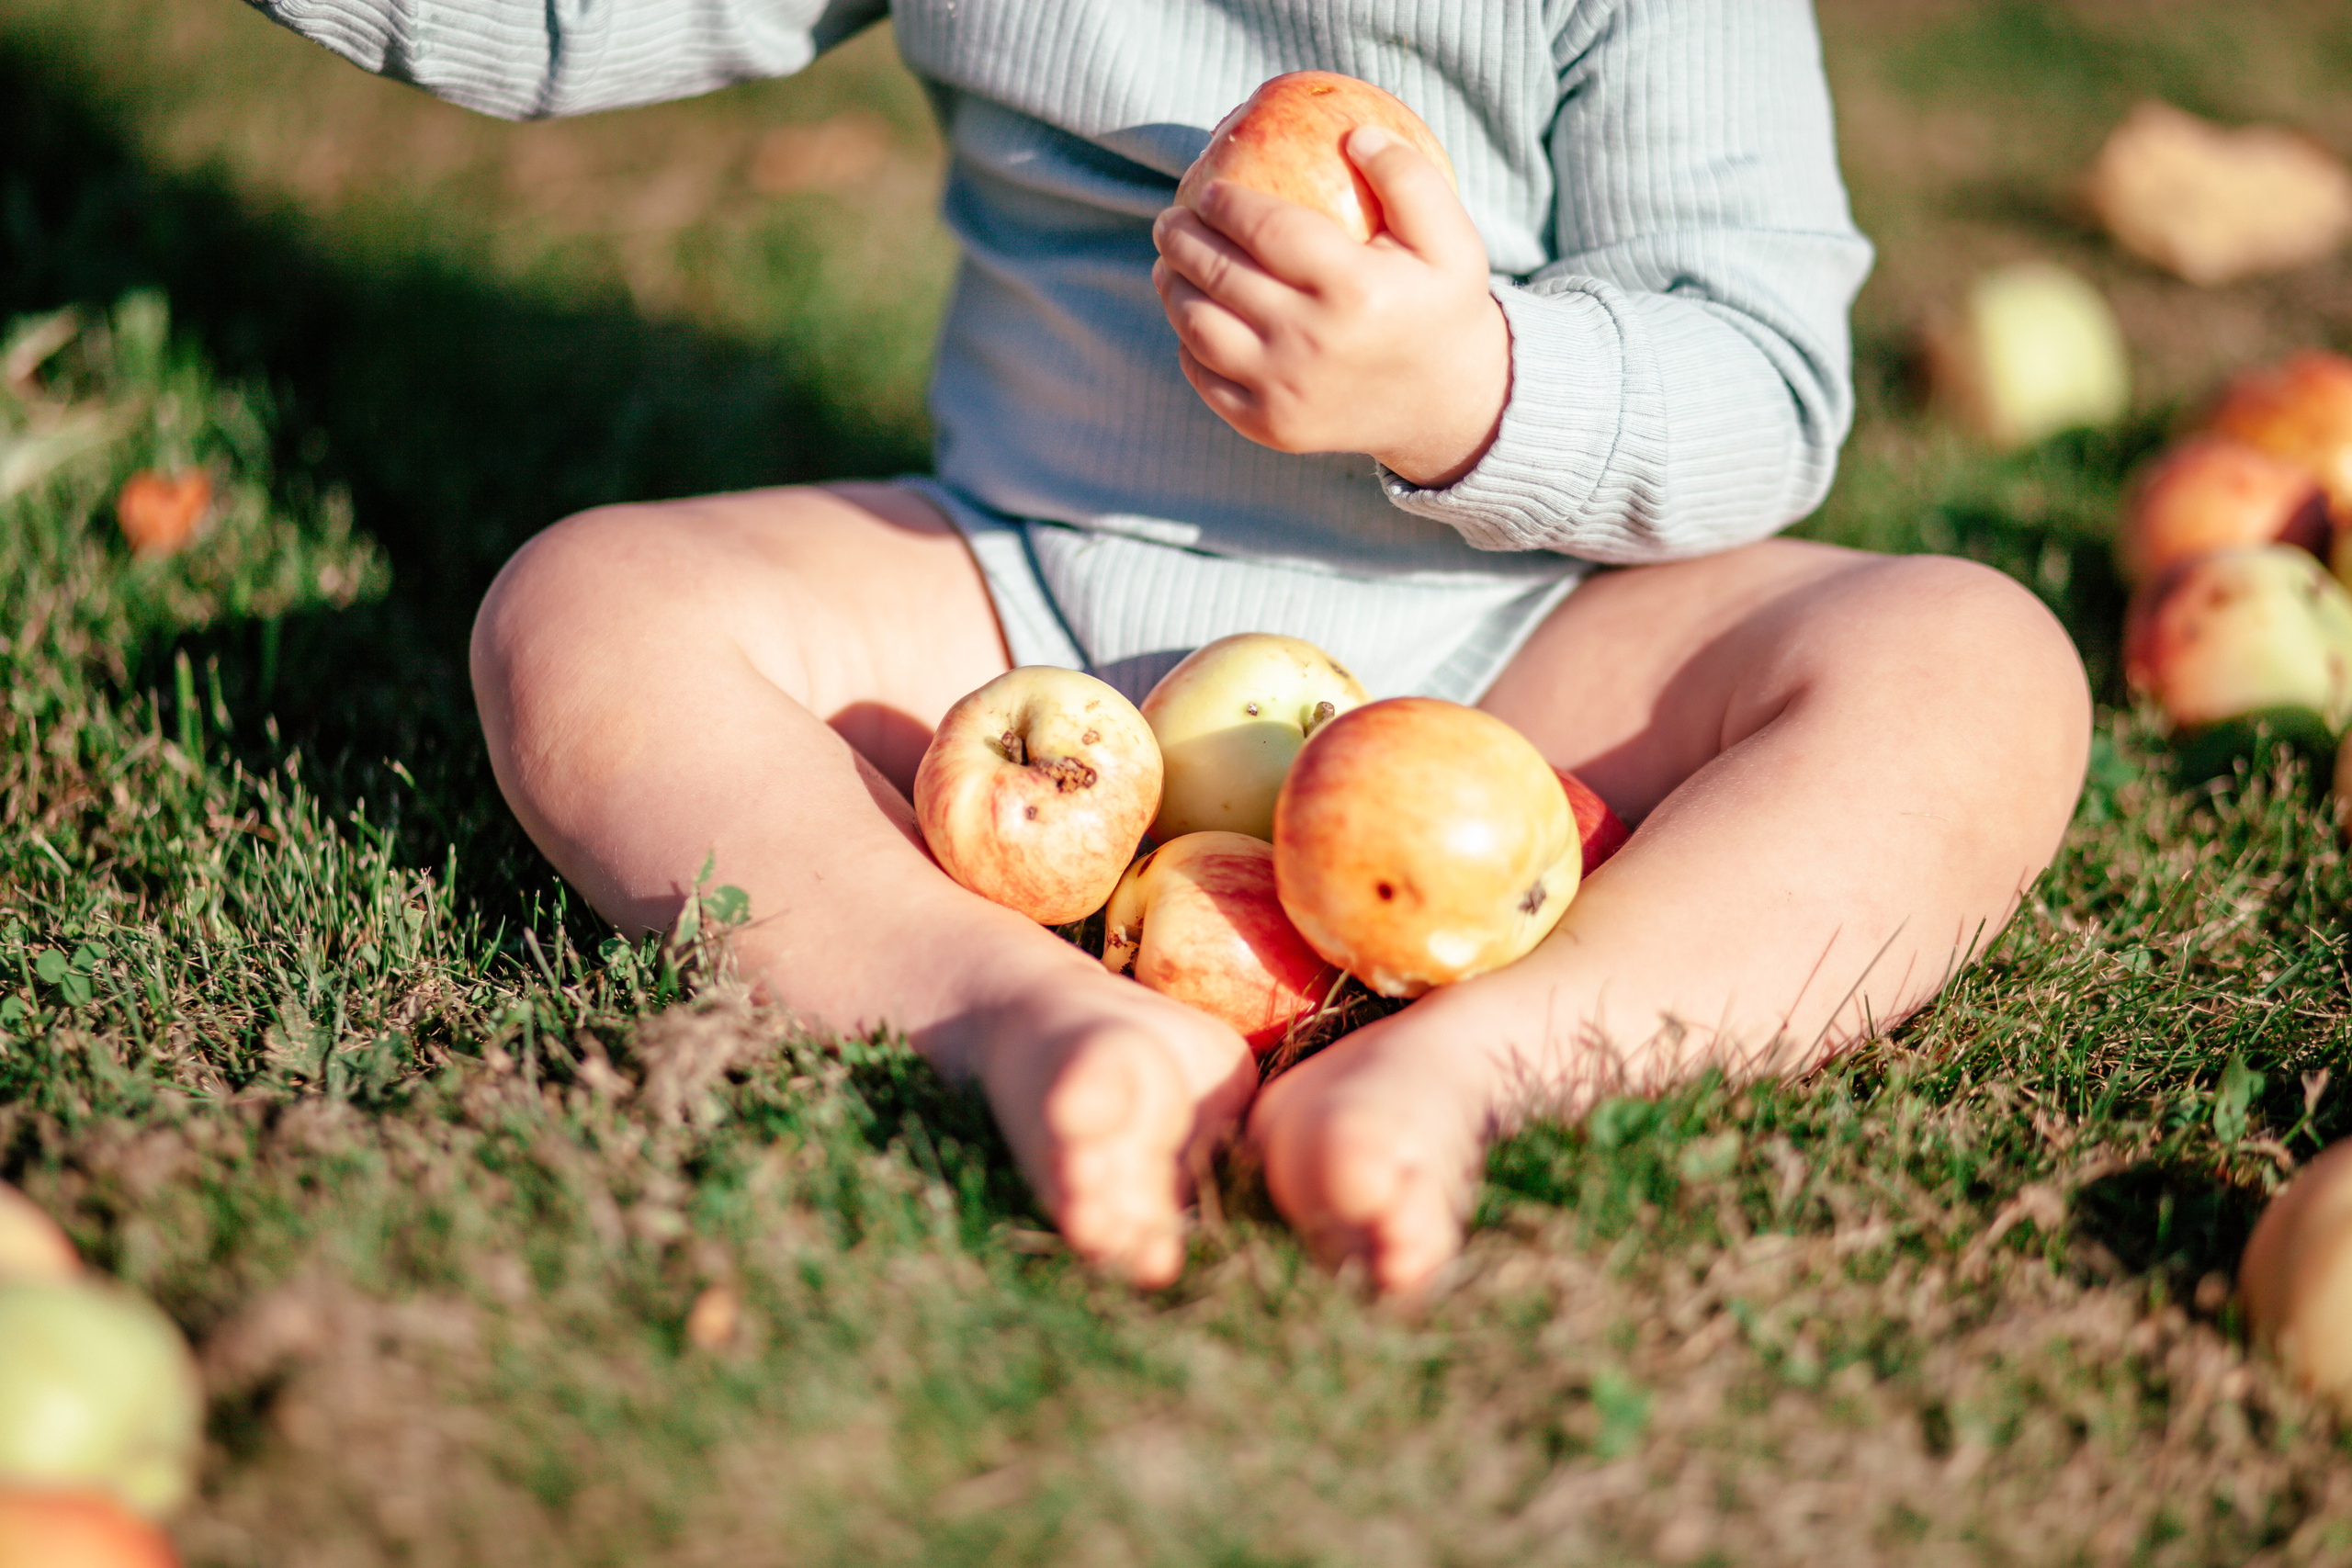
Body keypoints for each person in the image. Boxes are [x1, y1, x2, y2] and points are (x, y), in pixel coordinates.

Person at [248, 0, 2091, 1292]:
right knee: (586, 608)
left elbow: (1763, 367)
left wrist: (1468, 389)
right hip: (1027, 608)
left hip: (1523, 639)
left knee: (1967, 660)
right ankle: (1002, 1003)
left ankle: (1490, 1053)